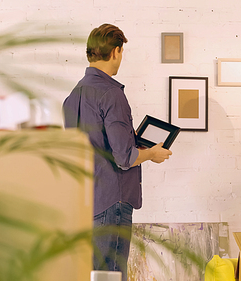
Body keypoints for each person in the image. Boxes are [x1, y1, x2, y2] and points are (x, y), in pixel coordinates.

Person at [62, 23, 172, 281]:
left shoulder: (72, 96)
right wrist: (152, 154)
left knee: (95, 274)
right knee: (112, 274)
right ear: (115, 52)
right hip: (113, 200)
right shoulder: (111, 93)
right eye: (121, 52)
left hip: (86, 200)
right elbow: (125, 158)